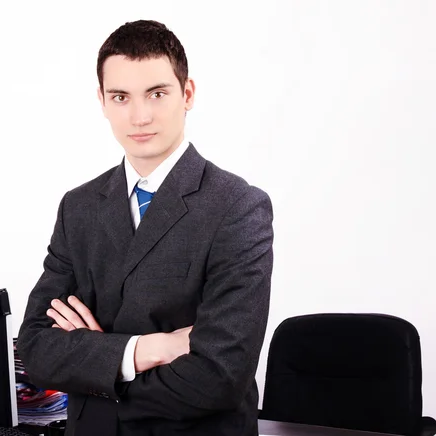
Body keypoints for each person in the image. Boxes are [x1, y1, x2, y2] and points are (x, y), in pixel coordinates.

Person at [17, 19, 274, 436]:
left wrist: (96, 371)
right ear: (101, 100)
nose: (139, 116)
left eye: (157, 93)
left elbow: (219, 376)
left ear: (187, 93)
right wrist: (150, 348)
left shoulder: (238, 207)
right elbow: (36, 348)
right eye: (121, 97)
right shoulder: (78, 207)